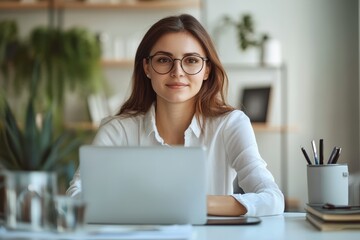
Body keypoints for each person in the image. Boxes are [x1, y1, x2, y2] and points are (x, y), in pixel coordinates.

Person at [67, 14, 284, 217]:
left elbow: (273, 199)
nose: (177, 72)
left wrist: (194, 203)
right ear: (147, 67)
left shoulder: (230, 124)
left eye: (191, 60)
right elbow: (76, 197)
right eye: (163, 60)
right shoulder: (118, 129)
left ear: (207, 70)